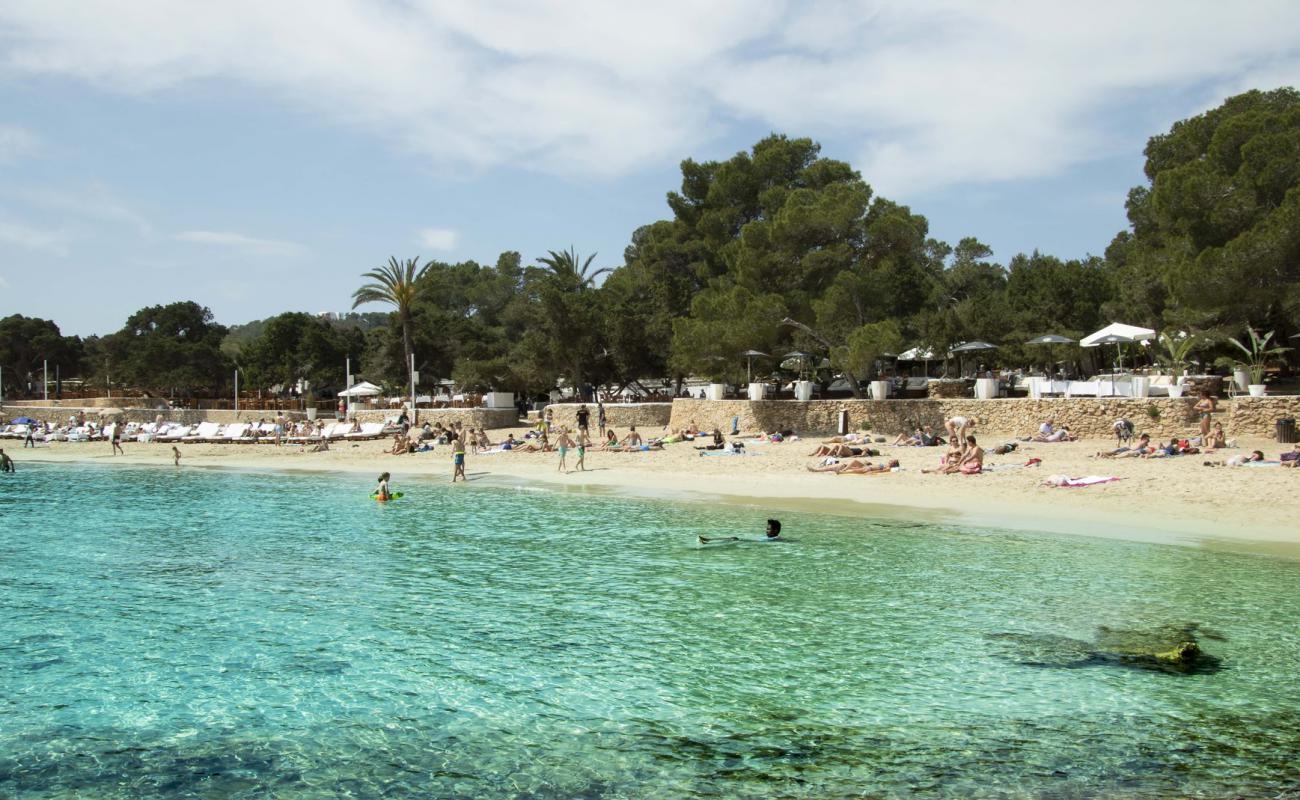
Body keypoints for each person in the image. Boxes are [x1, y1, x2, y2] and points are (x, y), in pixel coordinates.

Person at [700, 519, 783, 544]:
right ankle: (709, 540)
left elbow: (781, 540)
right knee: (733, 538)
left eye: (768, 529)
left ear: (775, 530)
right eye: (766, 528)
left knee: (733, 539)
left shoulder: (777, 538)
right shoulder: (768, 537)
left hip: (750, 543)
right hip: (750, 541)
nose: (766, 530)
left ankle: (709, 541)